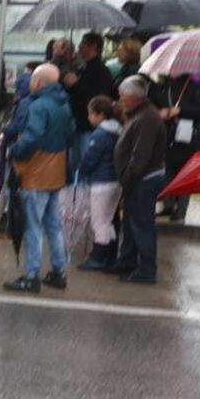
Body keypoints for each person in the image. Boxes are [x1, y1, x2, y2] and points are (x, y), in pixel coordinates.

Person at [4, 64, 74, 292]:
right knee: (53, 225)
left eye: (32, 80)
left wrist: (13, 150)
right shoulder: (64, 104)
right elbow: (71, 135)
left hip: (36, 172)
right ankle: (58, 271)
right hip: (57, 170)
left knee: (33, 226)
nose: (30, 83)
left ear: (39, 83)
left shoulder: (38, 106)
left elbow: (31, 136)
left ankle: (31, 275)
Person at [111, 78, 166, 283]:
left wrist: (127, 177)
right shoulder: (140, 114)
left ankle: (146, 269)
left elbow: (140, 156)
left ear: (133, 96)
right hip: (137, 178)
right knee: (132, 222)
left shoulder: (147, 118)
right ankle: (127, 261)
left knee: (142, 224)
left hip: (143, 179)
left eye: (122, 95)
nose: (120, 99)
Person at [153, 71, 200, 222]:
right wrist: (161, 113)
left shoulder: (195, 88)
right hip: (168, 134)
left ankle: (181, 209)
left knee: (185, 171)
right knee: (168, 169)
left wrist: (180, 111)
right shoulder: (163, 87)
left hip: (188, 135)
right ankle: (168, 204)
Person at [75, 95, 122, 272]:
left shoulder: (101, 134)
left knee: (99, 221)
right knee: (108, 220)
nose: (89, 118)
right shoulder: (117, 131)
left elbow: (90, 159)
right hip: (115, 182)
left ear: (100, 114)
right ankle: (110, 255)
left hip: (101, 182)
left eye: (91, 114)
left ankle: (97, 257)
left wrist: (82, 170)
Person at [62, 32, 115, 133]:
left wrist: (75, 85)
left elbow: (98, 98)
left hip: (88, 126)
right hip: (78, 122)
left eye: (83, 43)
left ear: (93, 46)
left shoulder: (101, 71)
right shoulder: (83, 68)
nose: (79, 46)